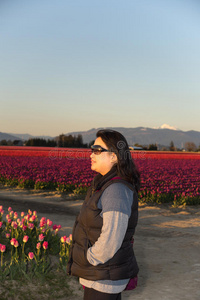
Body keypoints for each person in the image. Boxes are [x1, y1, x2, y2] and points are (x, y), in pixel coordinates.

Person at [67, 129, 140, 300]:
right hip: (102, 273)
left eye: (97, 150)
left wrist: (90, 258)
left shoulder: (116, 189)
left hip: (103, 276)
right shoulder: (104, 184)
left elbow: (112, 237)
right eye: (92, 149)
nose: (91, 154)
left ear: (114, 156)